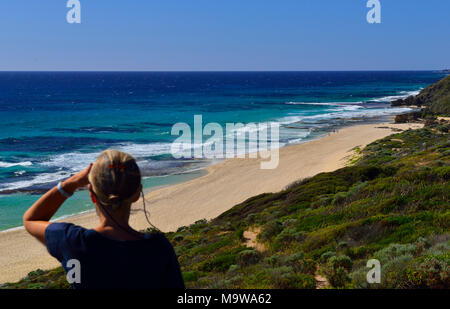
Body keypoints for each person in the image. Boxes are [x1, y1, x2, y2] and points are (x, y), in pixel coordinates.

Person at [23, 149, 185, 289]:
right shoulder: (158, 248)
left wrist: (71, 183)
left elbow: (31, 219)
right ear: (137, 194)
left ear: (92, 194)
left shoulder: (73, 242)